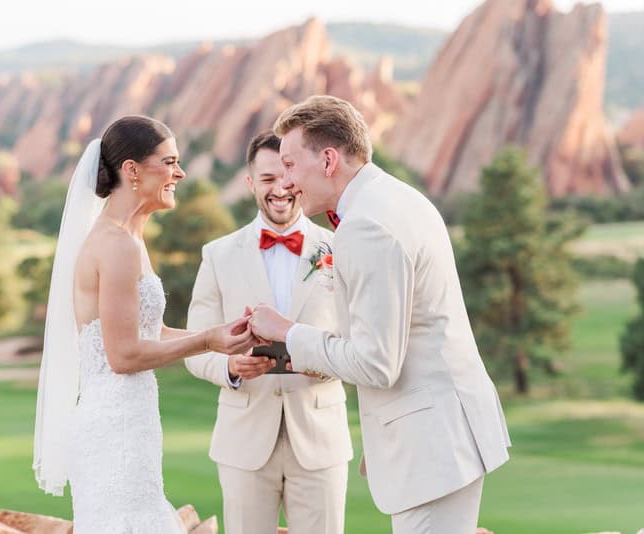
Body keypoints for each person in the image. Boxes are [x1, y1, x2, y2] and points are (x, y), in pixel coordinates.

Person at [248, 96, 511, 534]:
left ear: (329, 159)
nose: (288, 182)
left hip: (431, 449)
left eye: (291, 165)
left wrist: (289, 333)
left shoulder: (365, 225)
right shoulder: (399, 198)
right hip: (444, 434)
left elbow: (376, 364)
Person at [33, 115, 259, 533]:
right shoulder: (115, 244)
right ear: (132, 170)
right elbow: (123, 355)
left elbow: (145, 331)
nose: (181, 172)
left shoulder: (130, 238)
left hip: (129, 424)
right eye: (169, 161)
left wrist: (222, 334)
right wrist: (208, 339)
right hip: (114, 430)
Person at [185, 131, 352, 534]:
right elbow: (194, 346)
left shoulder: (340, 247)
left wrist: (324, 364)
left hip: (319, 439)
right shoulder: (218, 255)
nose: (280, 189)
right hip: (243, 442)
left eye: (287, 176)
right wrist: (230, 367)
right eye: (266, 179)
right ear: (249, 183)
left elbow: (362, 339)